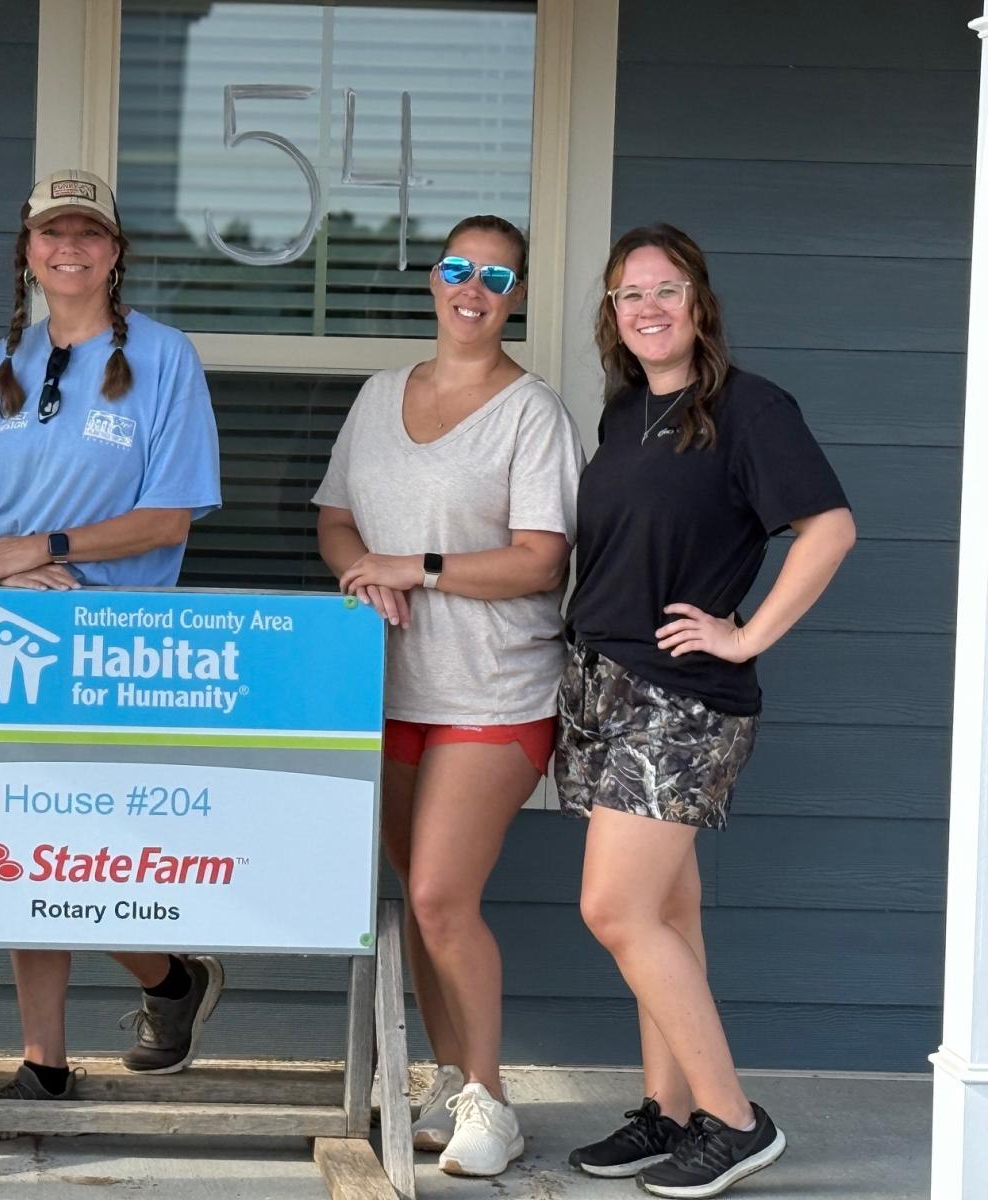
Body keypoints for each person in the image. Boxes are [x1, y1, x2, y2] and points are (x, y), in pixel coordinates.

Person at [557, 224, 855, 1198]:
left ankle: (733, 1119)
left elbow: (829, 526)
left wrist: (747, 631)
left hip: (680, 697)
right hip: (603, 685)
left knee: (613, 907)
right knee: (666, 915)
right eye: (628, 294)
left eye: (666, 289)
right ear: (611, 313)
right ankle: (670, 1112)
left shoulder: (748, 409)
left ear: (699, 303)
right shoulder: (625, 415)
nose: (647, 307)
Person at [0, 169, 224, 1119]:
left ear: (113, 251)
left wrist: (48, 547)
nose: (69, 248)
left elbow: (169, 517)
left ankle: (169, 977)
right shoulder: (5, 360)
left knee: (90, 849)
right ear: (27, 251)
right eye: (51, 232)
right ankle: (46, 1060)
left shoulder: (166, 358)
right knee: (25, 840)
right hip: (13, 632)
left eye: (87, 233)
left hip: (117, 641)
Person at [314, 215, 584, 1178]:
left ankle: (492, 1098)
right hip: (389, 691)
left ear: (516, 297)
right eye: (459, 269)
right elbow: (337, 519)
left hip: (495, 689)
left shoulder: (531, 413)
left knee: (438, 894)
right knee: (414, 898)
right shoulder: (382, 394)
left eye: (498, 276)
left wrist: (415, 567)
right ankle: (446, 1080)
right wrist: (360, 573)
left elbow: (539, 559)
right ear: (433, 279)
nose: (474, 288)